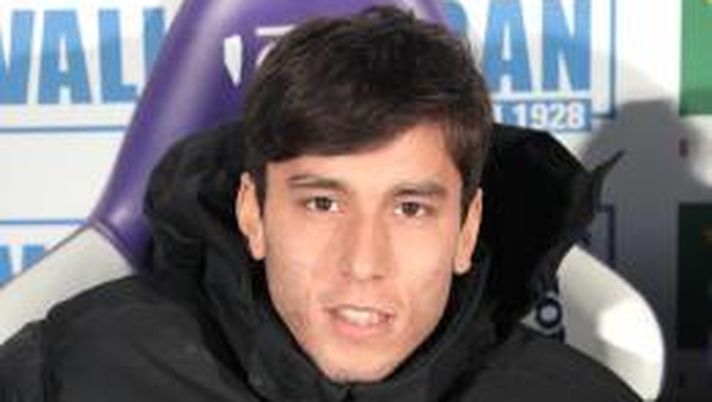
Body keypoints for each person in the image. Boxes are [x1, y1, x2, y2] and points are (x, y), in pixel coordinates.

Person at [0, 6, 640, 401]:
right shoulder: (69, 374)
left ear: (466, 231)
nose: (362, 262)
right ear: (252, 214)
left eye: (410, 209)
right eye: (323, 204)